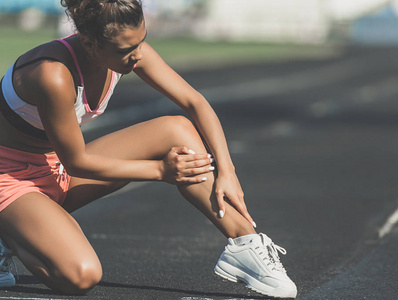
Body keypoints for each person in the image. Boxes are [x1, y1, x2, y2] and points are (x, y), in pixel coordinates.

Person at [0, 0, 297, 298]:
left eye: (140, 41)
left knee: (176, 130)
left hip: (55, 168)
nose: (137, 55)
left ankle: (245, 243)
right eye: (125, 50)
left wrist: (228, 171)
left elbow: (195, 102)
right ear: (90, 44)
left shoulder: (125, 48)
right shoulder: (52, 74)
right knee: (81, 275)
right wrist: (160, 171)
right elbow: (77, 161)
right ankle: (9, 236)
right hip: (10, 180)